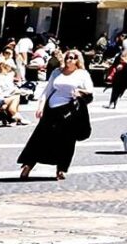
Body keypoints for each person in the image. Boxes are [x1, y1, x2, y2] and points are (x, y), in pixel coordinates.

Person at [17, 50, 91, 180]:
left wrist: (79, 91)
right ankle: (27, 166)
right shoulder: (57, 72)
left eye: (72, 58)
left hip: (69, 110)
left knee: (67, 141)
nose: (69, 60)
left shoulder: (82, 74)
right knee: (39, 138)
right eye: (67, 57)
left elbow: (89, 90)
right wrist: (40, 106)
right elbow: (47, 90)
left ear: (77, 60)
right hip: (51, 108)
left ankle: (61, 169)